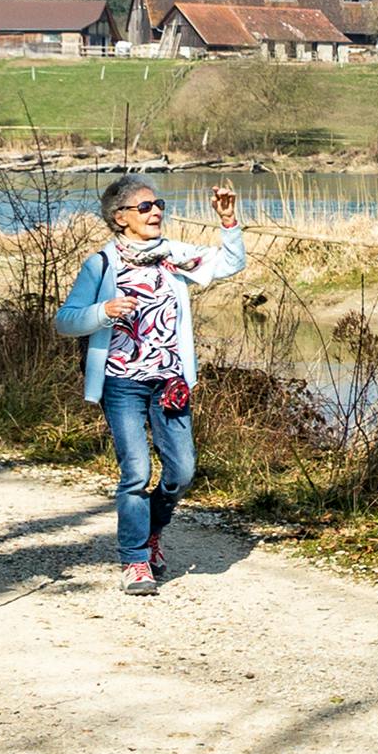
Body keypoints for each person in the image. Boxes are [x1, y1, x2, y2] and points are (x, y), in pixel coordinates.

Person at [56, 177, 246, 592]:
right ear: (120, 217)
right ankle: (135, 560)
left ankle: (152, 527)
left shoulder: (172, 256)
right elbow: (65, 320)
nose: (156, 211)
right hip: (121, 382)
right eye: (144, 207)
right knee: (136, 473)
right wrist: (103, 311)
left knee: (182, 471)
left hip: (170, 383)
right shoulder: (101, 264)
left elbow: (230, 264)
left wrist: (229, 221)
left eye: (158, 203)